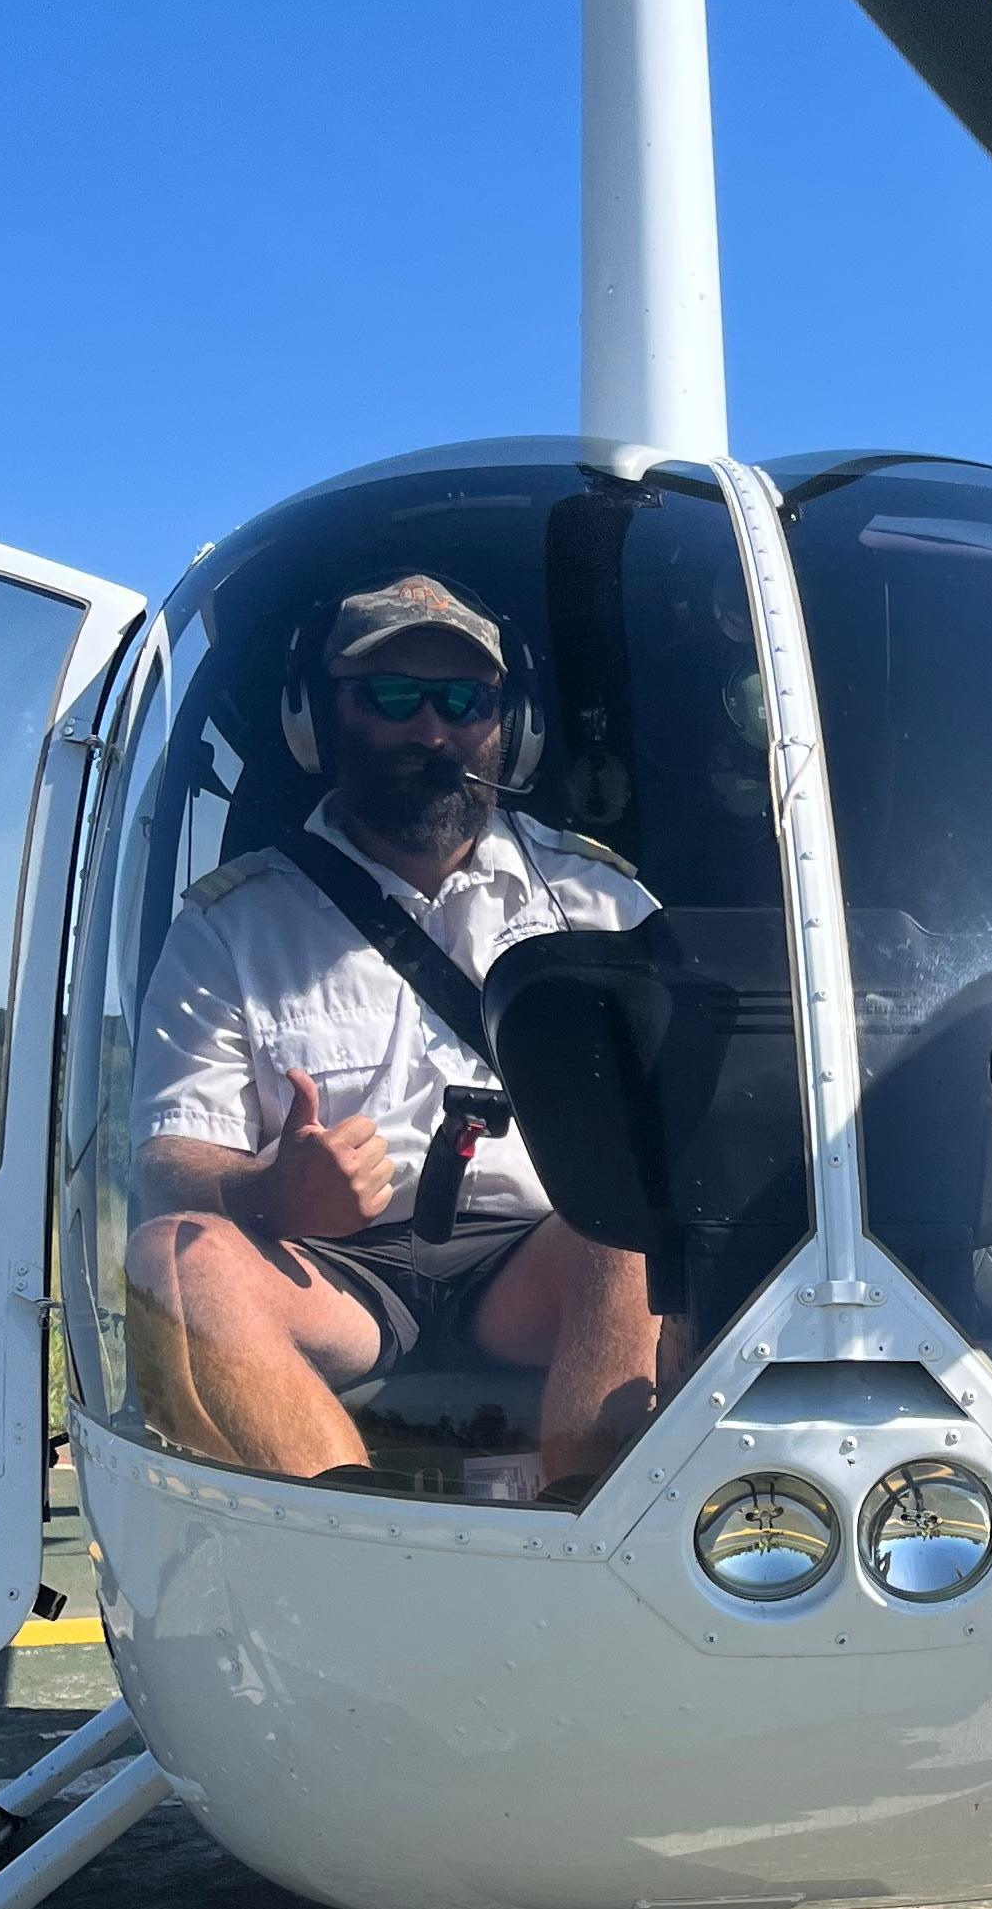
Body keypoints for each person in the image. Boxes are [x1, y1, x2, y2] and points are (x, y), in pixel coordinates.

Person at [127, 574, 663, 1492]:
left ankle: (592, 1535)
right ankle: (347, 1549)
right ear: (318, 719)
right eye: (392, 697)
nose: (432, 730)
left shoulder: (602, 903)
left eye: (464, 701)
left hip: (540, 1257)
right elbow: (165, 1161)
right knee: (175, 1260)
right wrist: (269, 1191)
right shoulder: (229, 923)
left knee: (631, 1227)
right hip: (331, 1270)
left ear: (509, 728)